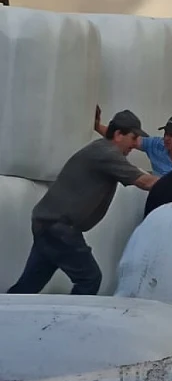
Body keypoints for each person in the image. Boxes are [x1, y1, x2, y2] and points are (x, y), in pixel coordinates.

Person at [7, 110, 159, 295]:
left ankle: (6, 310)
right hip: (58, 227)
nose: (135, 144)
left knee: (28, 287)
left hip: (48, 223)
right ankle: (70, 315)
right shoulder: (107, 153)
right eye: (133, 138)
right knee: (89, 279)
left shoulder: (101, 149)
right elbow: (144, 181)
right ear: (119, 134)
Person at [94, 107, 172, 176]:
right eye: (165, 133)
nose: (166, 138)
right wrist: (97, 126)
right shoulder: (156, 144)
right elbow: (124, 138)